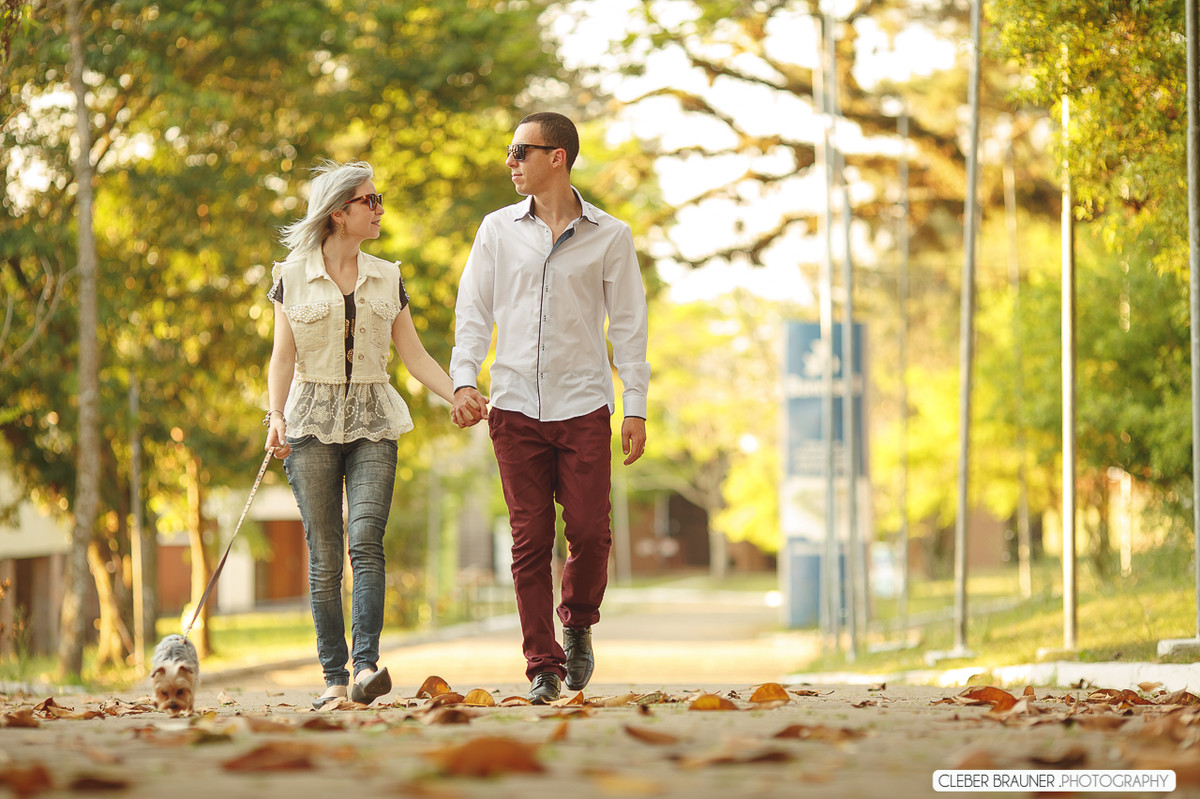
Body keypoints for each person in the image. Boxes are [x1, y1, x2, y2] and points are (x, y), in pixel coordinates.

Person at [264, 160, 482, 710]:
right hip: (309, 420)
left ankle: (365, 668)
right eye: (371, 201)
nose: (380, 209)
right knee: (324, 554)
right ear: (339, 213)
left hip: (373, 420)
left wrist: (458, 391)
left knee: (365, 540)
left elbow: (413, 356)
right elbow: (281, 356)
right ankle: (333, 676)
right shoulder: (291, 275)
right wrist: (276, 416)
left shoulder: (389, 275)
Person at [450, 112, 650, 704]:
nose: (510, 162)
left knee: (591, 531)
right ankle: (543, 663)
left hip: (584, 403)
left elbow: (630, 328)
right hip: (512, 405)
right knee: (529, 540)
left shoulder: (610, 236)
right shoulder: (495, 231)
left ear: (557, 156)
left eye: (520, 152)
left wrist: (634, 405)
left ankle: (579, 622)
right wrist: (464, 379)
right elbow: (473, 313)